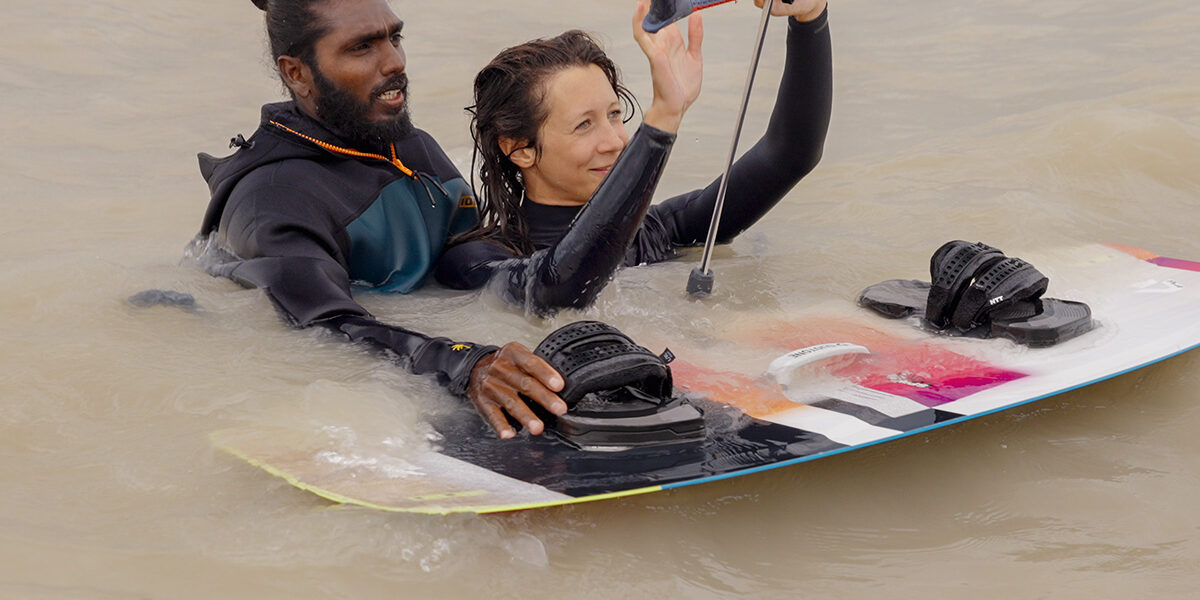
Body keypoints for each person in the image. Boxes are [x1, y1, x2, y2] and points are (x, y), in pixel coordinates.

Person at [186, 0, 702, 439]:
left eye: (394, 37)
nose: (393, 62)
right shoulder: (274, 199)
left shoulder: (411, 147)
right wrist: (464, 363)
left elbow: (505, 279)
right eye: (362, 47)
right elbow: (324, 326)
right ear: (296, 72)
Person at [436, 0, 832, 307]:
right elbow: (558, 286)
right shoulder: (475, 263)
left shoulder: (660, 232)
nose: (614, 141)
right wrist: (661, 121)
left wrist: (811, 19)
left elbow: (790, 155)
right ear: (519, 149)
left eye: (614, 115)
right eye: (584, 125)